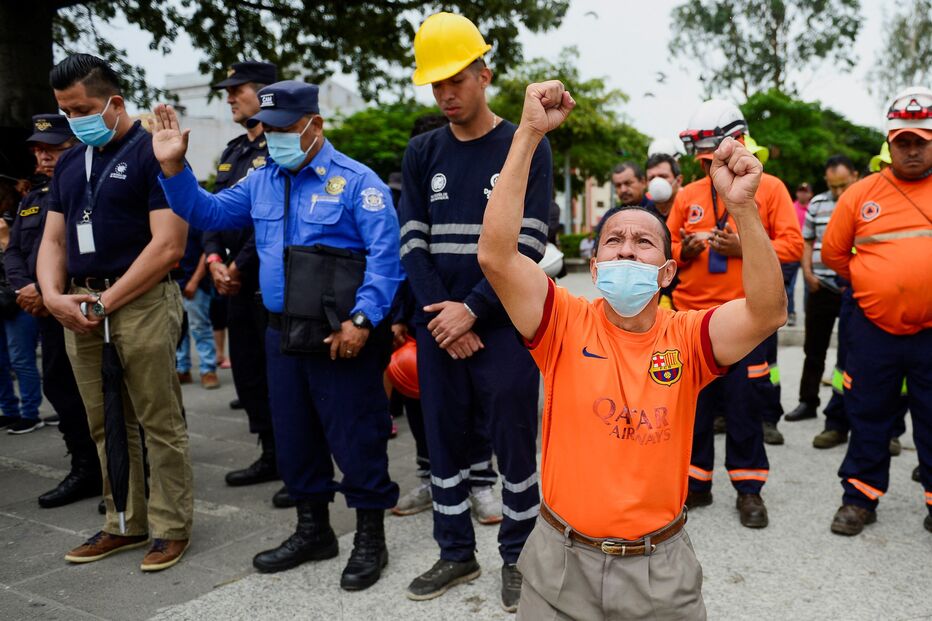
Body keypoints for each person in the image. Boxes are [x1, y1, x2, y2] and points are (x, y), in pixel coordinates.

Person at [477, 79, 787, 620]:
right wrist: (527, 133)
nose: (625, 248)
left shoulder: (688, 337)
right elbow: (496, 257)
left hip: (659, 572)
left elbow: (766, 312)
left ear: (666, 272)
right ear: (594, 269)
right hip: (559, 564)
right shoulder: (563, 322)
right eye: (612, 241)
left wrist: (744, 211)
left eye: (644, 241)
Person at [154, 79, 403, 589]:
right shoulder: (263, 179)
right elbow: (208, 213)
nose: (276, 140)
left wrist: (362, 321)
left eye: (286, 129)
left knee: (357, 438)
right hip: (280, 333)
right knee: (294, 437)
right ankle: (313, 531)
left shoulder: (359, 182)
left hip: (342, 337)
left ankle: (370, 538)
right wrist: (173, 168)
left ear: (315, 125)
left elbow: (386, 260)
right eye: (268, 131)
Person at [399, 12, 550, 611]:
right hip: (439, 326)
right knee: (444, 441)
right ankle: (455, 552)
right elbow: (411, 240)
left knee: (514, 443)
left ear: (485, 74)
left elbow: (531, 242)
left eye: (456, 80)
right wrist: (445, 315)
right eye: (436, 84)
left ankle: (519, 556)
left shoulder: (525, 145)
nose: (445, 94)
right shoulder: (422, 150)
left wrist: (473, 311)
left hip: (506, 327)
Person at [37, 54, 192, 571]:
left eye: (81, 108)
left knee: (157, 419)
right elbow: (53, 238)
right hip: (80, 303)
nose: (73, 119)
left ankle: (171, 527)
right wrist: (54, 295)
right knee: (104, 422)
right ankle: (123, 521)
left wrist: (108, 300)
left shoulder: (155, 152)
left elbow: (169, 245)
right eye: (64, 110)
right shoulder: (68, 161)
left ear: (114, 102)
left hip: (140, 301)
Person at [669, 99, 802, 527]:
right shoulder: (686, 195)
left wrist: (743, 246)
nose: (709, 166)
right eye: (703, 159)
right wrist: (683, 251)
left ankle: (749, 491)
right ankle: (696, 484)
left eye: (713, 157)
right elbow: (664, 249)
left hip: (746, 319)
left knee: (745, 408)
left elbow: (793, 247)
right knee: (695, 410)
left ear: (739, 142)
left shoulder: (772, 189)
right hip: (692, 321)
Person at [820, 85, 932, 536]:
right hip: (872, 328)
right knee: (868, 413)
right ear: (889, 142)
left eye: (920, 141)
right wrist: (874, 285)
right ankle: (860, 499)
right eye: (902, 141)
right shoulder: (860, 194)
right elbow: (834, 255)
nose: (911, 150)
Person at [390, 113, 502, 522]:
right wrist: (405, 315)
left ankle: (481, 481)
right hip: (429, 316)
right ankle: (433, 478)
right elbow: (407, 253)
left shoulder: (490, 169)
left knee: (479, 408)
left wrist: (471, 311)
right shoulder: (413, 176)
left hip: (482, 314)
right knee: (423, 405)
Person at [200, 61, 288, 506]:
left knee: (282, 378)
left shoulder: (282, 148)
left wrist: (240, 266)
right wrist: (215, 259)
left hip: (267, 283)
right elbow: (215, 211)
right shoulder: (231, 152)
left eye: (239, 89)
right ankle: (268, 453)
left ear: (265, 93)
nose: (231, 97)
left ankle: (294, 460)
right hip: (232, 282)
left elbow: (269, 220)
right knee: (250, 374)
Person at [4, 113, 102, 505]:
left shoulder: (87, 190)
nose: (43, 156)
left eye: (53, 148)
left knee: (97, 392)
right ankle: (84, 468)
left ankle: (120, 469)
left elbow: (77, 250)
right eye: (38, 149)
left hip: (75, 304)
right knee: (59, 388)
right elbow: (12, 251)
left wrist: (46, 293)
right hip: (45, 309)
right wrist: (25, 288)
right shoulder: (32, 198)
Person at [784, 156, 858, 426]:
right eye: (833, 185)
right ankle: (808, 401)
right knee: (814, 348)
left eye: (843, 185)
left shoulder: (863, 200)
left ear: (855, 176)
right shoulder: (817, 204)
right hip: (820, 285)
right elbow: (807, 241)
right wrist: (808, 273)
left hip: (854, 287)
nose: (838, 192)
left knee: (851, 351)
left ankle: (845, 409)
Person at [175, 224, 220, 388]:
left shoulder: (195, 218)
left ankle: (208, 370)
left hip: (197, 283)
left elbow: (206, 251)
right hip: (175, 282)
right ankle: (182, 369)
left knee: (200, 327)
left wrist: (194, 281)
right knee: (179, 330)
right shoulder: (170, 215)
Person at [784, 182, 812, 326]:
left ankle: (809, 313)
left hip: (808, 251)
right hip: (793, 250)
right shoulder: (790, 207)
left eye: (806, 191)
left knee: (809, 284)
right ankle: (791, 312)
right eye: (800, 191)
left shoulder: (813, 208)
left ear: (810, 194)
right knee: (790, 285)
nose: (803, 194)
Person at [645, 152, 683, 219]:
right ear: (646, 183)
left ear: (678, 181)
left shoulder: (690, 209)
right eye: (651, 178)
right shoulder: (645, 215)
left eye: (663, 176)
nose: (656, 182)